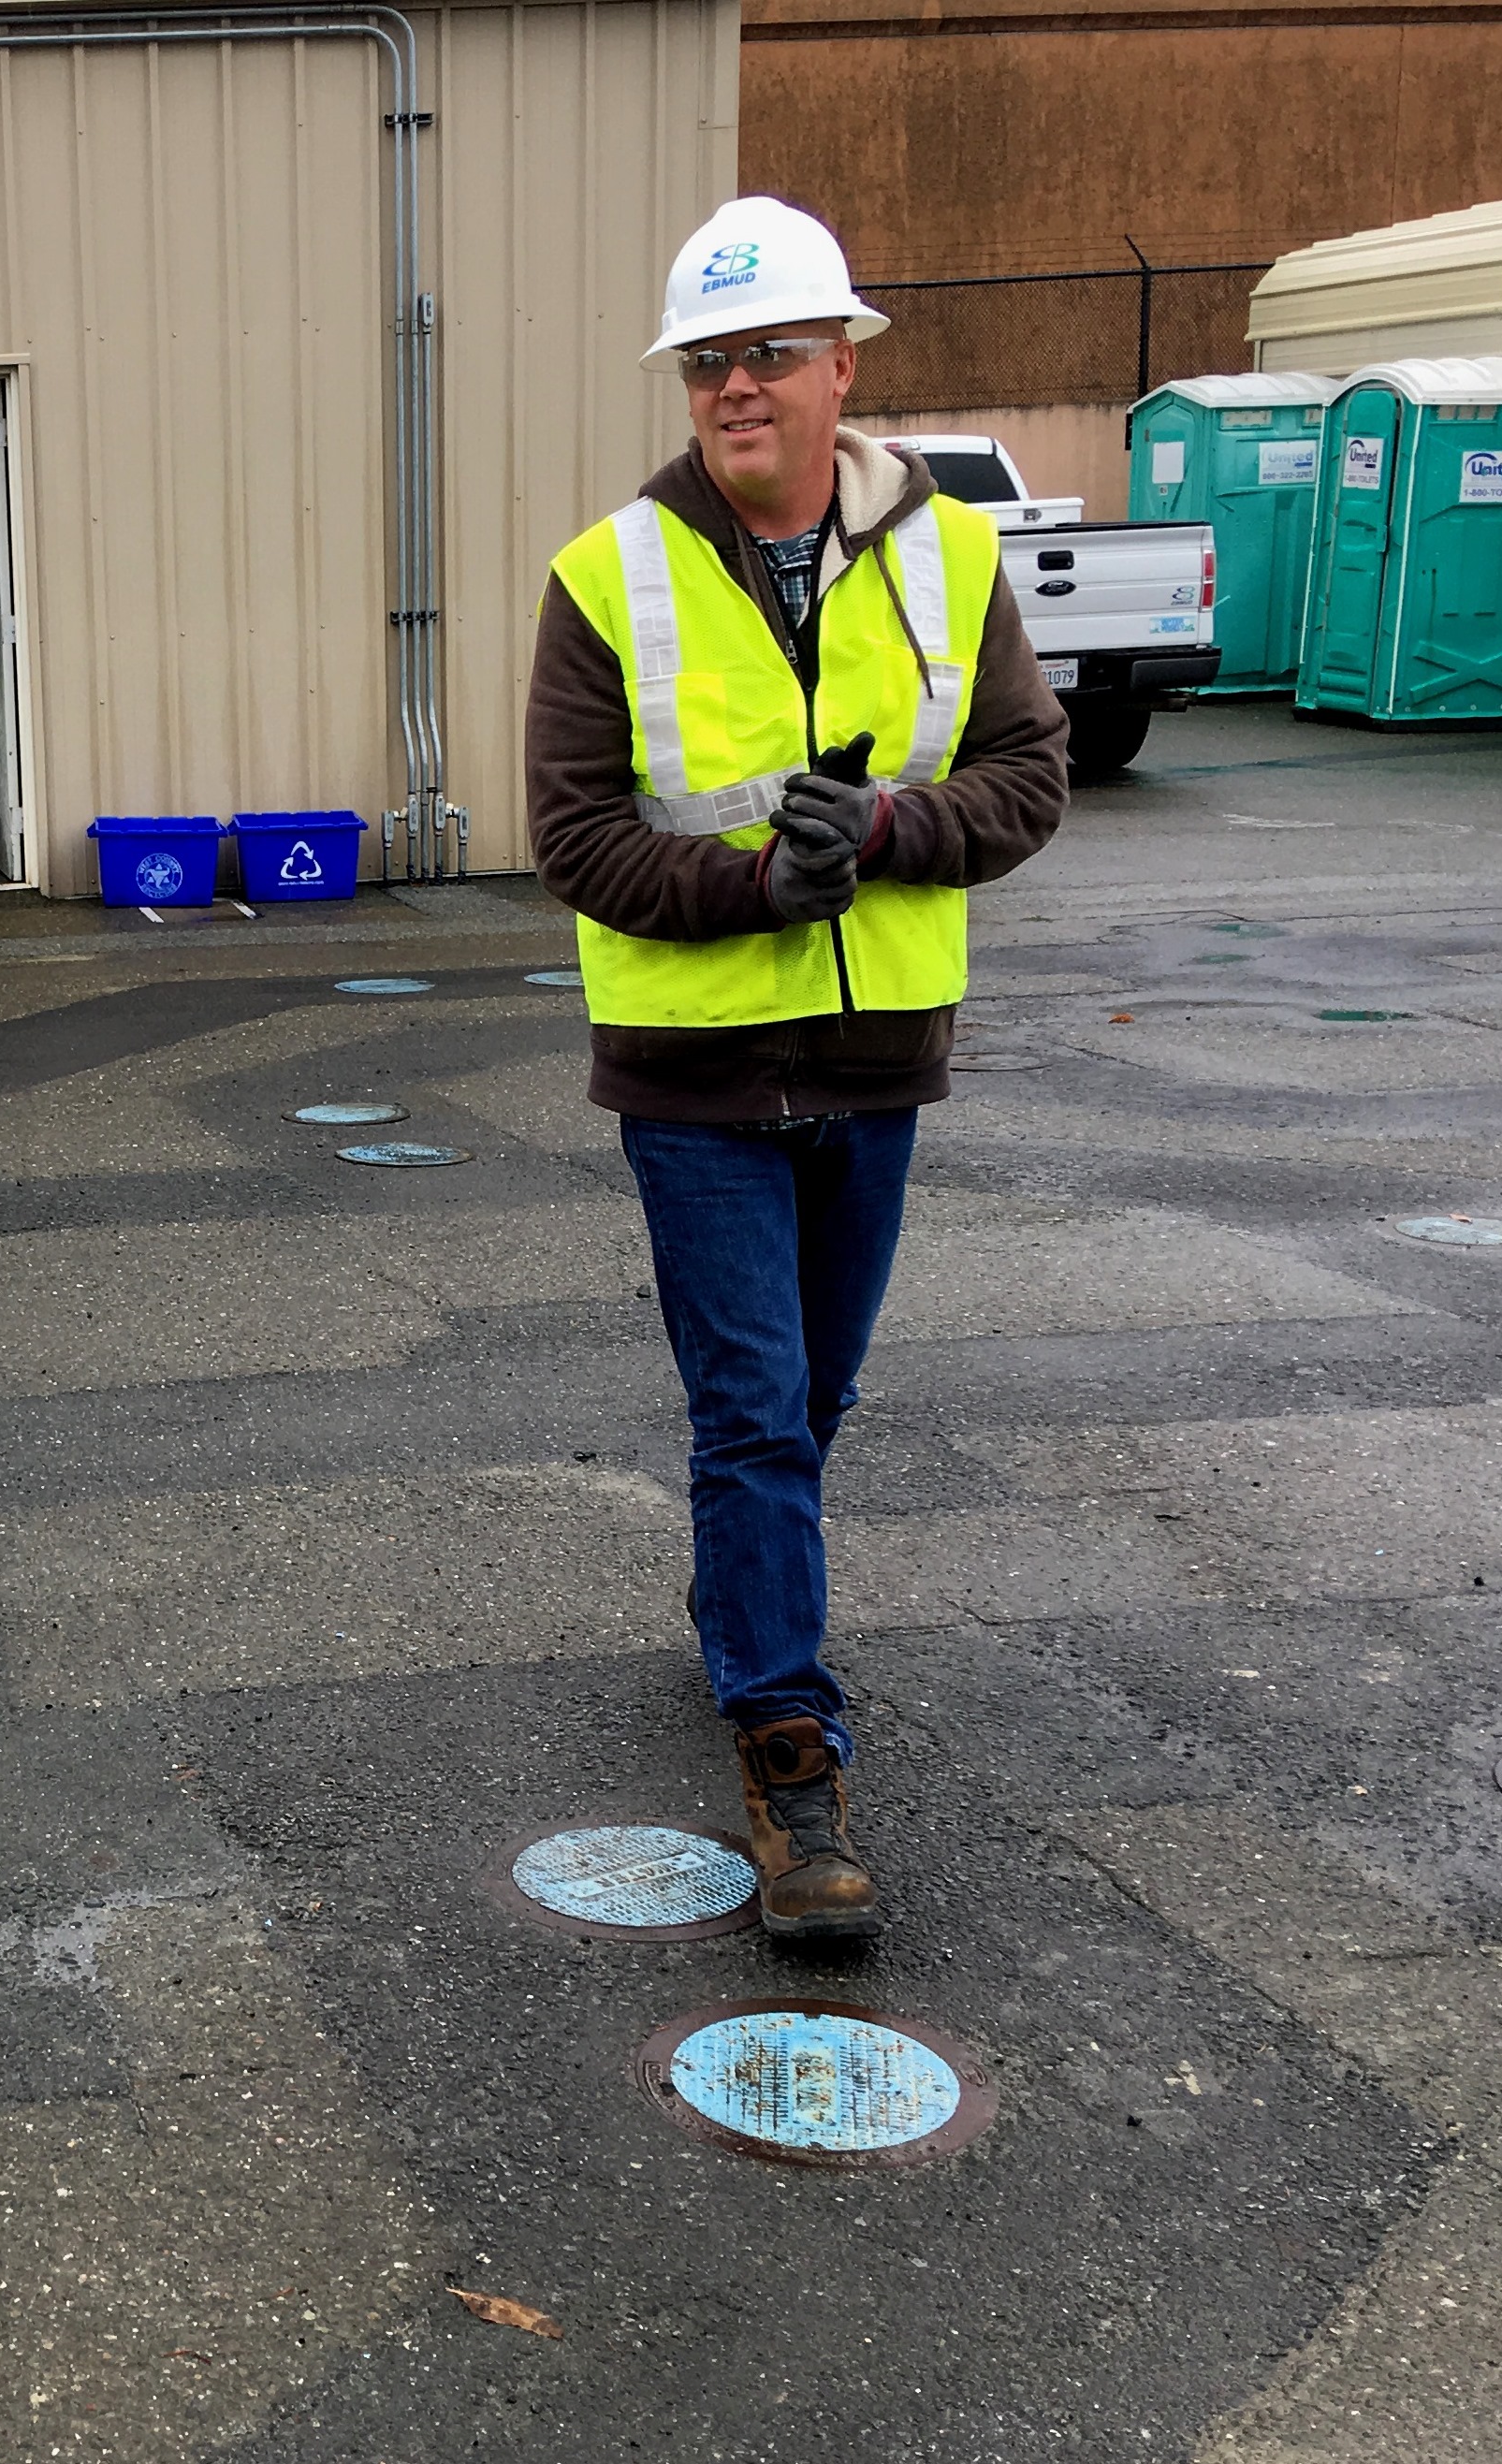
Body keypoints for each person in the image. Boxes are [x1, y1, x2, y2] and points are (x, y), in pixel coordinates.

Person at [526, 195, 1068, 1941]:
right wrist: (757, 880)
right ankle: (790, 1755)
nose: (734, 387)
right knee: (752, 1414)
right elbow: (577, 837)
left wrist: (898, 827)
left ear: (845, 366)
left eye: (766, 353)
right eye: (706, 362)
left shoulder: (951, 557)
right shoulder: (605, 578)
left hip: (876, 1058)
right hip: (693, 1080)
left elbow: (1030, 778)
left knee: (808, 1407)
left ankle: (737, 1608)